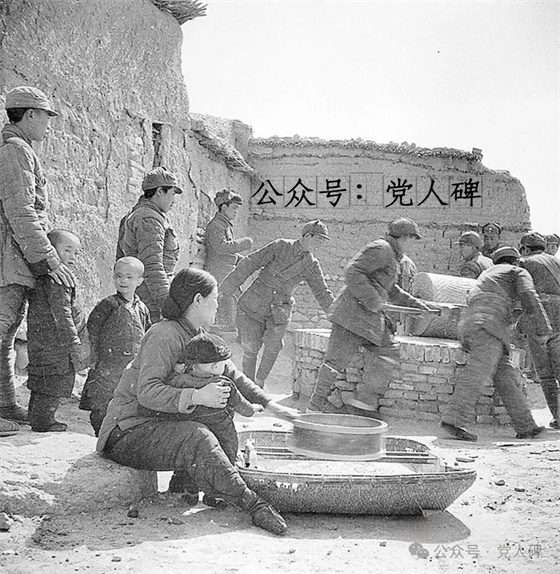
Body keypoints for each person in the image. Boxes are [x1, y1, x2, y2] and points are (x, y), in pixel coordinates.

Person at [96, 267, 297, 535]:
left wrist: (271, 405)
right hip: (127, 432)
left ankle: (186, 485)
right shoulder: (163, 335)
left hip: (154, 426)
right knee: (197, 435)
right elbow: (147, 392)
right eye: (215, 299)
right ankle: (253, 503)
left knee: (218, 408)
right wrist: (197, 396)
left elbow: (230, 373)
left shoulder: (197, 334)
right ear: (198, 300)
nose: (218, 305)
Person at [0, 86, 75, 436]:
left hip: (16, 260)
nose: (48, 124)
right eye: (45, 116)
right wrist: (50, 260)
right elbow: (22, 212)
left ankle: (4, 403)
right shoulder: (16, 150)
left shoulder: (19, 149)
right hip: (9, 261)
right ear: (30, 114)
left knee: (6, 334)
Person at [307, 218, 436, 414]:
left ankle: (363, 403)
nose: (412, 244)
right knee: (334, 362)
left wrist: (416, 305)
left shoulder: (392, 255)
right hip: (351, 316)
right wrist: (373, 300)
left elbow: (391, 288)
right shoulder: (381, 249)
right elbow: (352, 272)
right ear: (402, 238)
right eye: (412, 239)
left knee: (388, 351)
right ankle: (313, 408)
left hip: (367, 319)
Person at [441, 246, 551, 442]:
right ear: (516, 260)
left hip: (473, 324)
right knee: (477, 373)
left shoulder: (487, 274)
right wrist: (544, 329)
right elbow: (529, 295)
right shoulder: (517, 271)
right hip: (489, 325)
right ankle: (454, 420)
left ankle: (526, 426)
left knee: (506, 376)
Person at [220, 220, 334, 388]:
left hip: (280, 309)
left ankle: (260, 382)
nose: (320, 244)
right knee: (250, 347)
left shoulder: (311, 264)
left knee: (274, 347)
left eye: (323, 241)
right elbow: (250, 263)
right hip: (255, 303)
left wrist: (335, 314)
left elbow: (322, 292)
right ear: (307, 236)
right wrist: (227, 288)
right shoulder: (281, 246)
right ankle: (247, 385)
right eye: (318, 240)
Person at [167, 332, 263, 471]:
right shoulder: (223, 384)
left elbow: (170, 381)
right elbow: (242, 406)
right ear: (216, 367)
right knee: (225, 458)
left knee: (190, 463)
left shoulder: (180, 381)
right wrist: (253, 409)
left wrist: (178, 369)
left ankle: (184, 483)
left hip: (193, 430)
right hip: (221, 432)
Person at [79, 257, 151, 436]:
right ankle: (100, 433)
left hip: (130, 364)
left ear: (139, 281)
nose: (123, 281)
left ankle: (116, 433)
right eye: (119, 276)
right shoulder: (108, 304)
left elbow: (147, 333)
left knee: (126, 399)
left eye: (129, 277)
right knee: (102, 399)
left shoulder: (142, 308)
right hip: (107, 364)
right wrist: (92, 357)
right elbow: (92, 331)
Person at [27, 230, 86, 432]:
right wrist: (73, 341)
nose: (72, 256)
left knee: (41, 380)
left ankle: (35, 416)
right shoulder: (58, 280)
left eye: (76, 253)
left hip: (41, 340)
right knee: (54, 381)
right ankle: (44, 421)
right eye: (67, 250)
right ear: (51, 250)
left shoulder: (45, 277)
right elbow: (62, 313)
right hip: (56, 343)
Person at [116, 167, 182, 323]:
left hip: (144, 294)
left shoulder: (141, 214)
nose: (174, 200)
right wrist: (167, 304)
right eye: (172, 193)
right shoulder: (149, 219)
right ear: (159, 191)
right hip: (151, 298)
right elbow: (152, 266)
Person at [518, 232, 560, 429]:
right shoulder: (556, 261)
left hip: (540, 321)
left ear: (525, 248)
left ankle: (558, 417)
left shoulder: (525, 263)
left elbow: (522, 293)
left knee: (545, 374)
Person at [204, 188, 253, 330]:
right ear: (223, 207)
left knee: (236, 308)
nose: (236, 211)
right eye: (234, 208)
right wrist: (243, 244)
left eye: (237, 208)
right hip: (219, 275)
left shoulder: (225, 225)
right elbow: (220, 247)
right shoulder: (216, 225)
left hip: (227, 275)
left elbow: (227, 253)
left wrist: (246, 261)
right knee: (227, 313)